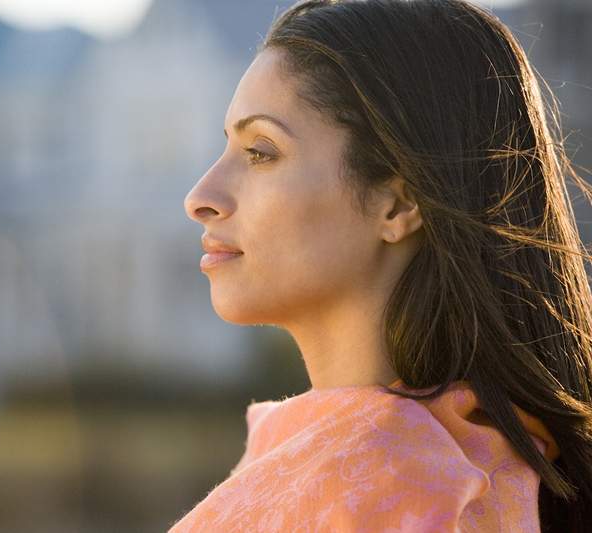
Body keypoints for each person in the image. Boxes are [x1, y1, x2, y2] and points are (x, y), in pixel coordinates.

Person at [174, 0, 592, 531]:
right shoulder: (463, 460)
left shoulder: (386, 486)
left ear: (398, 204)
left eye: (260, 151)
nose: (200, 196)